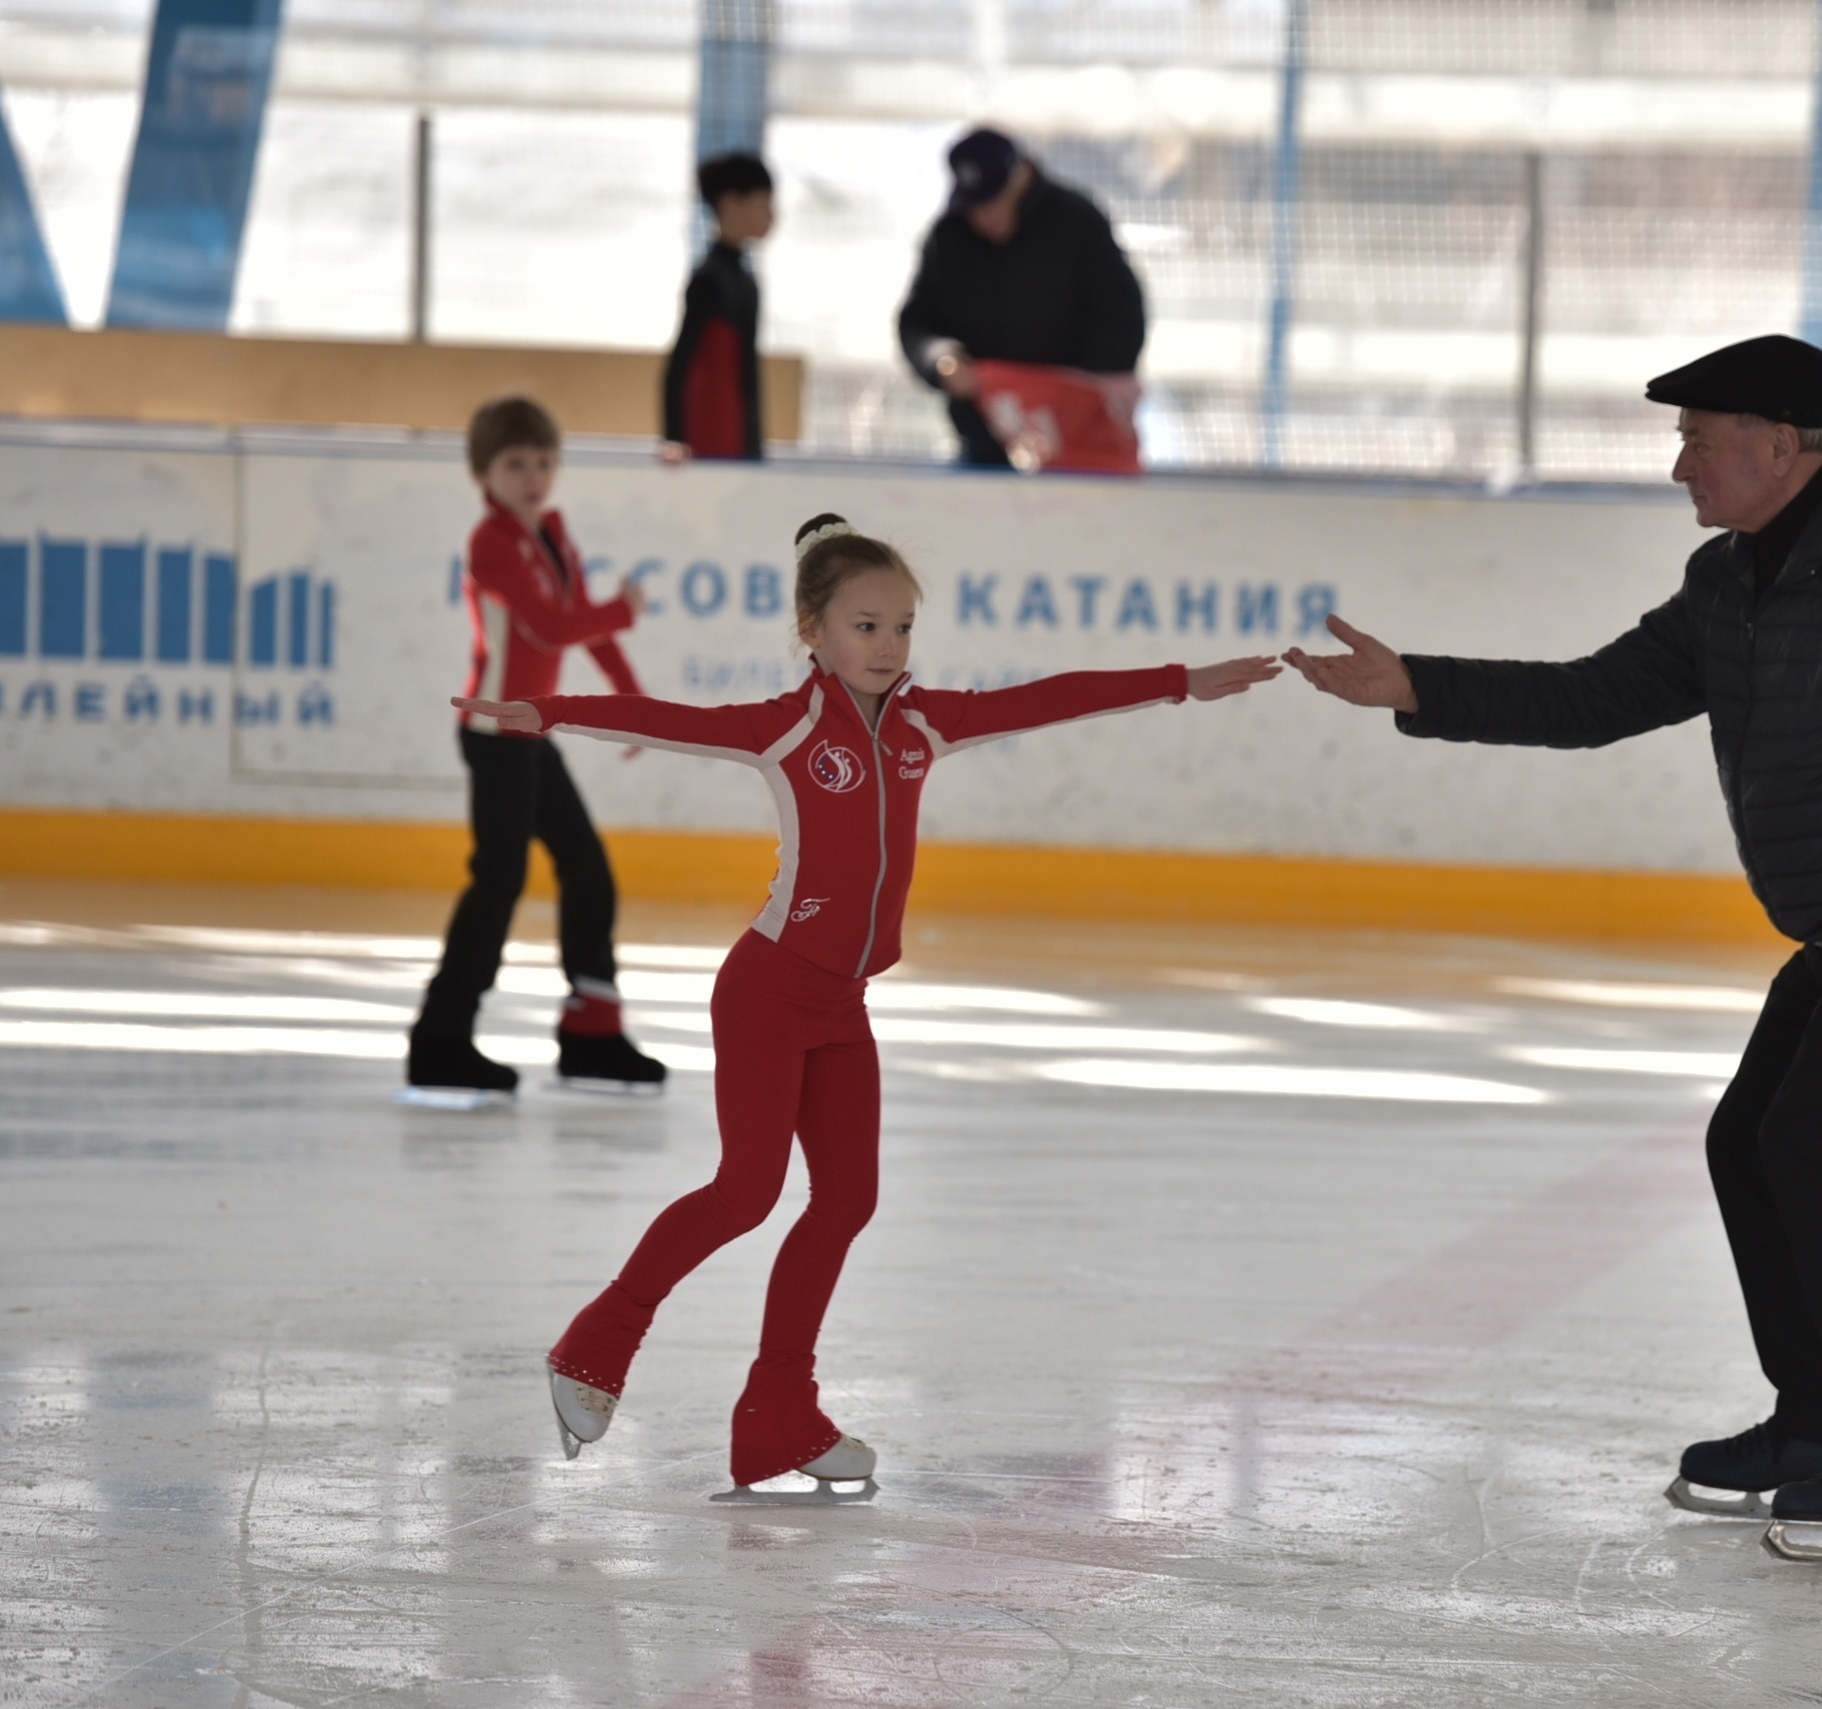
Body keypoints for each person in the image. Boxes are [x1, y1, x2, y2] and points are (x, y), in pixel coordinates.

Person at [1284, 335, 1822, 1564]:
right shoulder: (1730, 581)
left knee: (1820, 1148)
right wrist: (1417, 686)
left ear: (1773, 441)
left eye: (1694, 438)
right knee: (1751, 1145)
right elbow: (1598, 697)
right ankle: (1821, 1424)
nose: (1677, 465)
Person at [455, 512, 1281, 1502]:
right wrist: (541, 712)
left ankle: (777, 1412)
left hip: (841, 1005)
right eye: (864, 626)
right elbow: (667, 720)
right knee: (747, 1189)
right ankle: (596, 1342)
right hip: (766, 990)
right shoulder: (787, 726)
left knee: (847, 1199)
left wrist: (1181, 680)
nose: (886, 647)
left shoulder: (928, 724)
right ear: (811, 630)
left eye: (899, 627)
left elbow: (1050, 699)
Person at [406, 396, 669, 1103]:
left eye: (544, 462)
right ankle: (439, 1038)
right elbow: (553, 627)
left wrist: (630, 701)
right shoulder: (492, 542)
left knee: (587, 869)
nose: (533, 476)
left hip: (529, 732)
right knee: (499, 881)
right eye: (516, 463)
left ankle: (592, 1033)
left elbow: (580, 626)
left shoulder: (552, 532)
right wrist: (622, 608)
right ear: (484, 472)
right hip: (496, 735)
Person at [896, 128, 1146, 468]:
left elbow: (1121, 315)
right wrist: (941, 360)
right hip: (987, 440)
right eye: (976, 206)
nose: (986, 216)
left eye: (996, 199)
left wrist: (1068, 393)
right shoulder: (949, 238)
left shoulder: (1076, 222)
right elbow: (916, 321)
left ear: (1021, 176)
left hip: (1078, 443)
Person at [661, 150, 775, 464]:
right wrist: (674, 438)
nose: (772, 216)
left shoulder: (745, 279)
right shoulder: (709, 279)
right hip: (708, 443)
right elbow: (679, 365)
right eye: (763, 203)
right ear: (730, 203)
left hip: (737, 440)